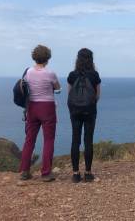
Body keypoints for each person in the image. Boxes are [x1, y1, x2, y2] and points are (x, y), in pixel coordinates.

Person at [19, 45, 61, 182]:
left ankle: (24, 171)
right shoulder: (50, 73)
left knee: (29, 139)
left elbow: (25, 87)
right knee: (48, 140)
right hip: (47, 107)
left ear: (34, 57)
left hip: (32, 107)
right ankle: (46, 173)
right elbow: (58, 88)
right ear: (47, 58)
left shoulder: (28, 72)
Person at [67, 48, 101, 183]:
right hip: (90, 111)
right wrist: (90, 104)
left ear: (78, 59)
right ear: (91, 60)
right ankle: (88, 173)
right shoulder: (94, 75)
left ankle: (75, 174)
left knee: (75, 140)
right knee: (88, 140)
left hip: (74, 111)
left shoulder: (72, 75)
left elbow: (69, 94)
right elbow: (97, 95)